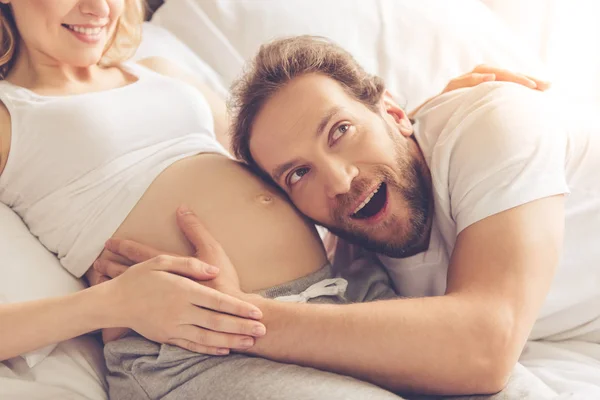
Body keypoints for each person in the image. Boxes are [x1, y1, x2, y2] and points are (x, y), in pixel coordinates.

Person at [0, 1, 549, 398]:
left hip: (344, 301)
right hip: (198, 347)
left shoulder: (160, 75)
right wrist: (112, 304)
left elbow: (288, 157)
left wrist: (413, 120)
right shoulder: (9, 113)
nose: (98, 7)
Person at [126, 35, 595, 396]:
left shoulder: (497, 122)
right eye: (298, 174)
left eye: (340, 130)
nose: (338, 181)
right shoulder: (354, 256)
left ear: (393, 111)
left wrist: (245, 320)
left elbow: (485, 347)